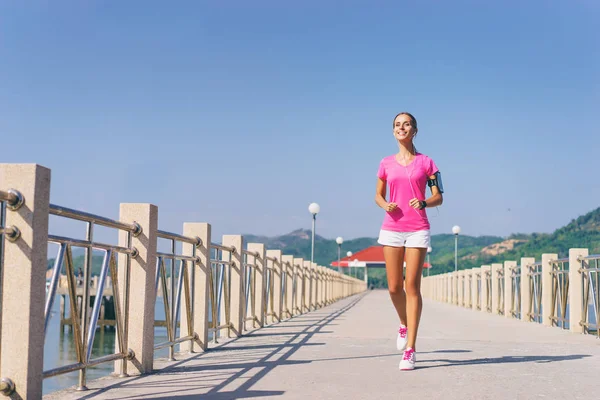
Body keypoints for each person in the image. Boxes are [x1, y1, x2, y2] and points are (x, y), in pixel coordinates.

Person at [374, 112, 444, 370]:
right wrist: (386, 204)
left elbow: (439, 196)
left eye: (406, 124)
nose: (401, 128)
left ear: (415, 130)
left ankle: (411, 349)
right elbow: (378, 196)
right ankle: (403, 323)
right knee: (394, 287)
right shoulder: (385, 163)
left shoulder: (427, 163)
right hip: (392, 227)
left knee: (411, 286)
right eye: (396, 125)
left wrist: (424, 201)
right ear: (393, 131)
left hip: (417, 228)